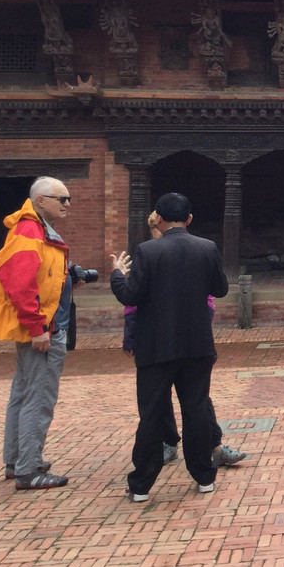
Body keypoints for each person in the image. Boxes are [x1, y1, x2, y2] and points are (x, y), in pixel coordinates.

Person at [110, 192, 229, 502]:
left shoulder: (147, 251)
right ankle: (204, 476)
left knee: (151, 414)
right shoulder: (207, 247)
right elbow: (221, 288)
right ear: (189, 219)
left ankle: (141, 485)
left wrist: (117, 276)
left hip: (156, 346)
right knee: (196, 409)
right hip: (197, 343)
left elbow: (130, 296)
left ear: (158, 219)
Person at [120, 211, 246, 469]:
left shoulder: (190, 252)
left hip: (183, 340)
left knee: (195, 400)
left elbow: (212, 295)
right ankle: (174, 448)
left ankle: (213, 446)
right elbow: (132, 305)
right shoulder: (151, 253)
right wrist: (131, 338)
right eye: (154, 229)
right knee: (164, 400)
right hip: (171, 341)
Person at [0, 176, 74, 490]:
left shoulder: (34, 230)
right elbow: (21, 287)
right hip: (41, 330)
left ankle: (17, 460)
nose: (66, 204)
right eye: (60, 198)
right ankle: (28, 469)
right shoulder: (29, 232)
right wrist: (38, 328)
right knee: (38, 399)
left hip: (38, 327)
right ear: (39, 201)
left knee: (22, 395)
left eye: (68, 199)